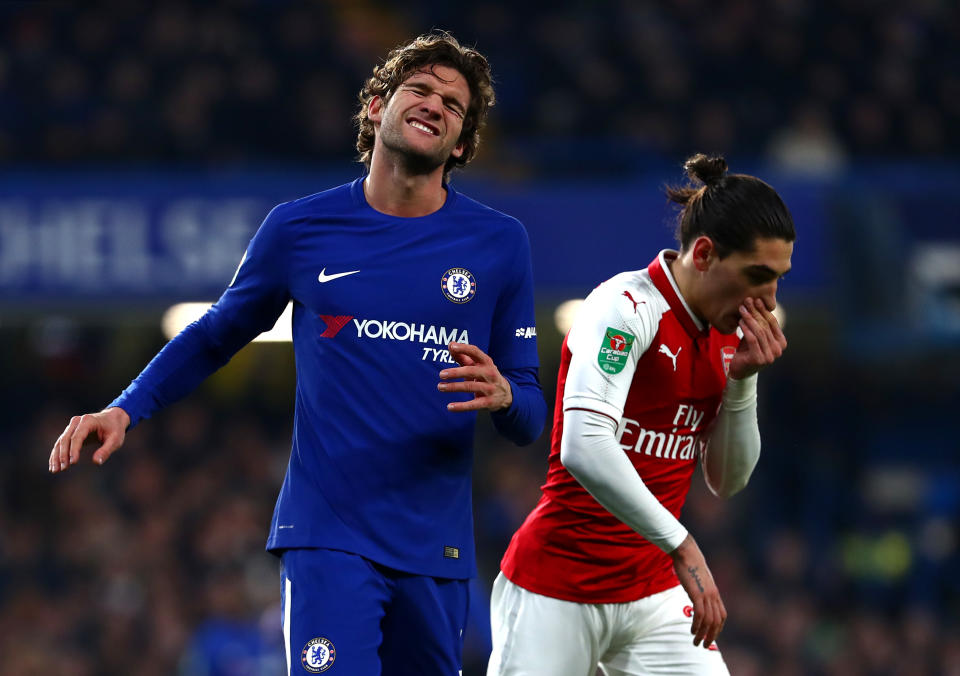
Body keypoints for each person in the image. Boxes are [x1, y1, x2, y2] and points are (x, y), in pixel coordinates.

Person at [48, 31, 546, 676]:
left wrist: (506, 395)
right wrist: (126, 408)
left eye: (454, 105)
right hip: (327, 534)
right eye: (418, 89)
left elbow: (531, 414)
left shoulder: (498, 243)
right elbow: (216, 332)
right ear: (376, 105)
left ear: (461, 143)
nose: (435, 104)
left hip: (434, 546)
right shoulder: (300, 228)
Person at [488, 154, 795, 676]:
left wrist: (743, 382)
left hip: (651, 592)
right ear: (703, 253)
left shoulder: (727, 333)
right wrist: (682, 543)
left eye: (778, 279)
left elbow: (727, 480)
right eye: (757, 276)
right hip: (558, 583)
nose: (768, 300)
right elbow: (584, 442)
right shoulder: (624, 306)